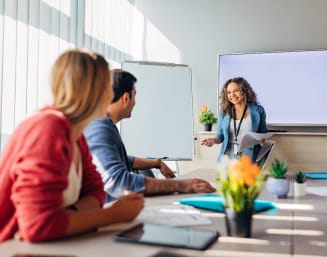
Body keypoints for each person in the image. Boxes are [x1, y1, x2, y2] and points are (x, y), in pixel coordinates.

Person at [0, 49, 144, 243]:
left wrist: (66, 215)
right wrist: (115, 215)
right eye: (106, 86)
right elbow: (38, 225)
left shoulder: (76, 134)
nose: (112, 94)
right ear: (91, 91)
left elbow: (96, 192)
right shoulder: (47, 129)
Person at [84, 69, 215, 200]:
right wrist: (180, 185)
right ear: (126, 98)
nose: (135, 102)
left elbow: (120, 158)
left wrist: (156, 163)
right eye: (134, 95)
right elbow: (118, 181)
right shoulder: (99, 128)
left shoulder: (104, 124)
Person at [201, 77, 267, 162]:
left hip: (250, 156)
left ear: (245, 90)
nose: (232, 95)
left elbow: (263, 134)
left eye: (236, 90)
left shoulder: (258, 110)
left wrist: (263, 142)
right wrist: (212, 140)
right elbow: (220, 136)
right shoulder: (224, 111)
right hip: (228, 155)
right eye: (228, 92)